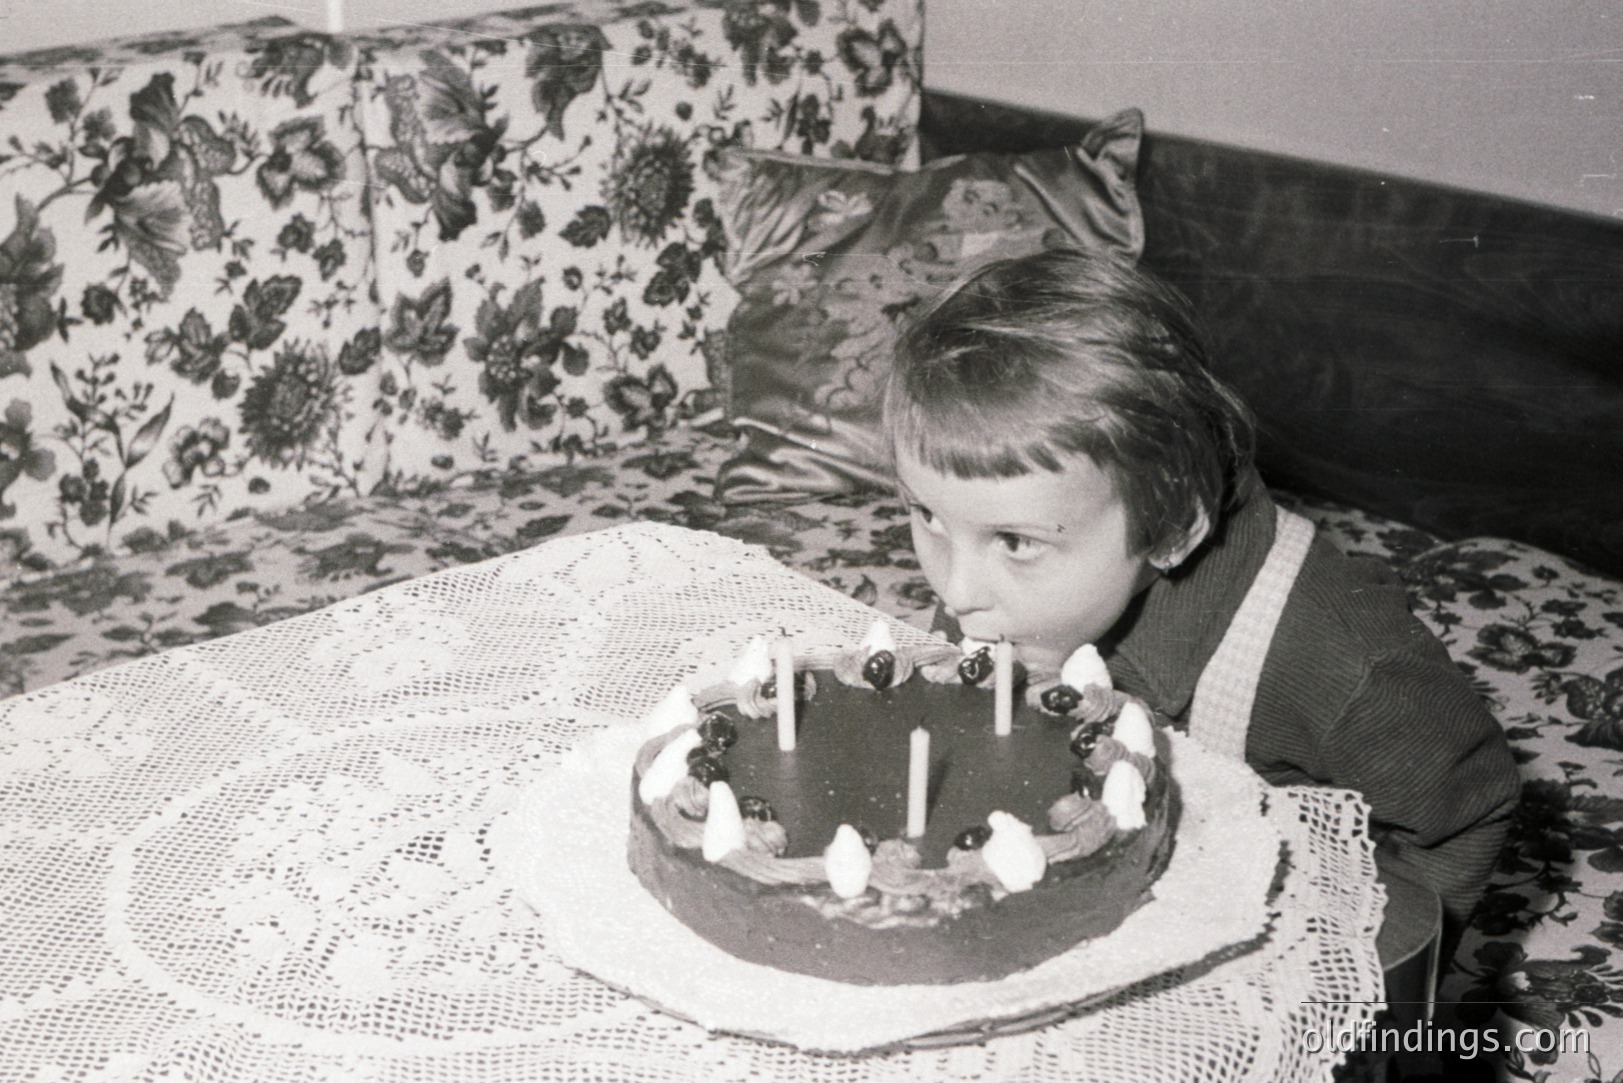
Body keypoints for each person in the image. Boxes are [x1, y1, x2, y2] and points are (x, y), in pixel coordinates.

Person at [882, 246, 1519, 951]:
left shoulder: (1344, 663)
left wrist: (1358, 965)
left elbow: (1466, 811)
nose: (953, 589)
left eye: (1014, 541)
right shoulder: (995, 592)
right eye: (926, 515)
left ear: (1170, 528)